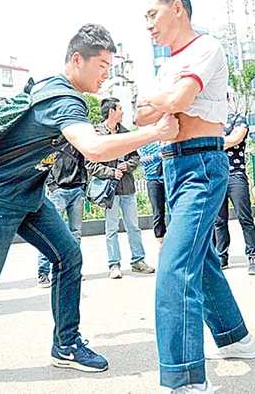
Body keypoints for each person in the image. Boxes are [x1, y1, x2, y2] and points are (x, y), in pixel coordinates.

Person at [0, 23, 179, 385]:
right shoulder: (62, 99)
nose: (107, 75)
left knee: (68, 255)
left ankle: (66, 344)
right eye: (102, 65)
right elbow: (93, 147)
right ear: (78, 59)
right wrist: (156, 133)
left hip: (29, 195)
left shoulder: (50, 86)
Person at [135, 0, 255, 394]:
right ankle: (236, 338)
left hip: (202, 163)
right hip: (172, 166)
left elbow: (179, 98)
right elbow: (141, 114)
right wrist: (162, 101)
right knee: (199, 261)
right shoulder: (166, 64)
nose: (147, 24)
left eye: (152, 15)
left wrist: (163, 102)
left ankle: (185, 377)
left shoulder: (207, 47)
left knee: (173, 266)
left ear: (178, 9)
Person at [87, 98, 155, 279]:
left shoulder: (125, 133)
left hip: (128, 188)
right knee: (111, 228)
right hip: (109, 190)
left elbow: (136, 157)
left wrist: (128, 165)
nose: (123, 112)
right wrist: (111, 172)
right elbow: (90, 164)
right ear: (111, 111)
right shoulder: (97, 134)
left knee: (134, 226)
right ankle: (114, 264)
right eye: (120, 109)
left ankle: (138, 261)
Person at [212, 97, 255, 275]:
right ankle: (221, 256)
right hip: (215, 175)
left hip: (235, 174)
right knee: (219, 220)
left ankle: (253, 256)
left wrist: (213, 143)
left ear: (227, 99)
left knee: (244, 217)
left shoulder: (238, 118)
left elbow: (236, 138)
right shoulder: (210, 122)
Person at [37, 142, 87, 288]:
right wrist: (52, 186)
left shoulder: (78, 143)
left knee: (76, 233)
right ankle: (43, 272)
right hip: (58, 191)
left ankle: (73, 269)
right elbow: (44, 164)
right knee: (49, 233)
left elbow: (84, 164)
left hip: (77, 190)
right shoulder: (53, 142)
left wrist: (82, 185)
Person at [138, 141, 166, 250]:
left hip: (168, 177)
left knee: (174, 209)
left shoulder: (165, 138)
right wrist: (157, 156)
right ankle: (161, 240)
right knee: (158, 212)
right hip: (153, 180)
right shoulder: (146, 139)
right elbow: (142, 160)